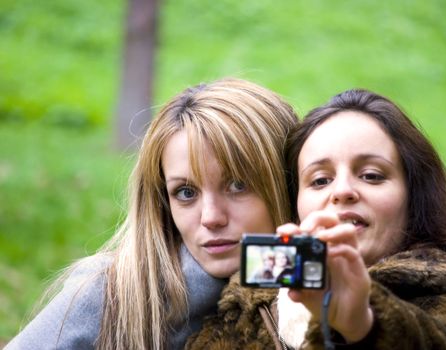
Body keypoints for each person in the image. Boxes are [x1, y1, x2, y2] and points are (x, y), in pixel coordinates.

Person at [187, 88, 446, 349]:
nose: (343, 191)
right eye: (320, 180)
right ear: (295, 203)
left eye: (372, 175)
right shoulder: (241, 313)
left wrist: (362, 325)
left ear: (414, 196)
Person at [5, 78, 298, 349]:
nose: (210, 217)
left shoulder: (324, 284)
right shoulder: (112, 294)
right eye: (186, 192)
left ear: (286, 183)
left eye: (238, 185)